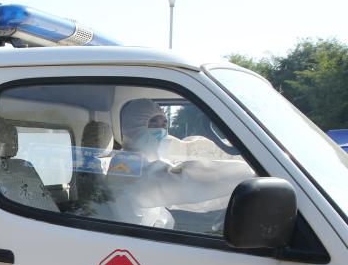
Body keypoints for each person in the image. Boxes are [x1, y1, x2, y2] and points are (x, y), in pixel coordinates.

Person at [101, 98, 256, 229]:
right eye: (153, 122)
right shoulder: (130, 168)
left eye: (164, 124)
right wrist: (250, 176)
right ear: (133, 126)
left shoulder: (130, 160)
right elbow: (187, 181)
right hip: (139, 242)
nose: (161, 130)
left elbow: (184, 191)